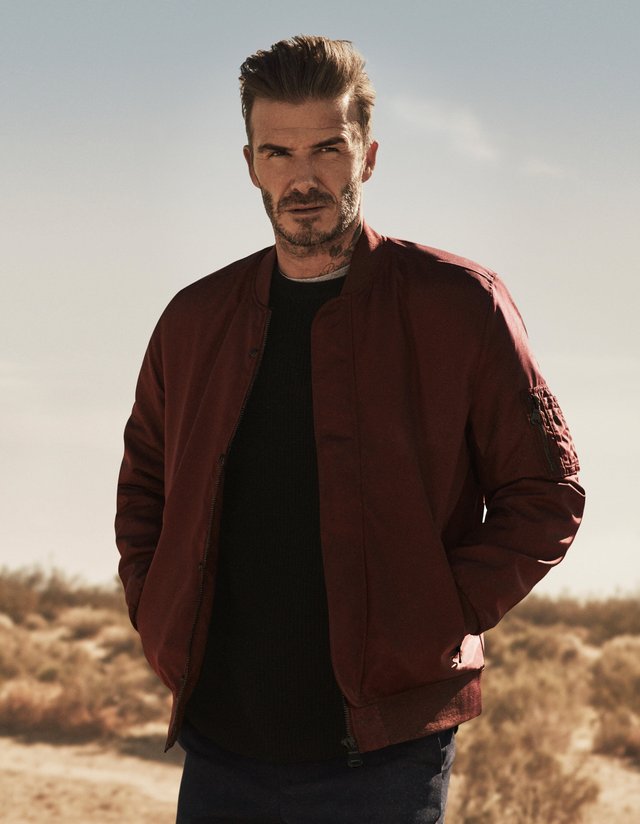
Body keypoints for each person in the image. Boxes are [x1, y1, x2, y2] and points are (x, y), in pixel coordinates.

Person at [115, 35, 585, 824]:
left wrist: (434, 616)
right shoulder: (194, 321)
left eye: (327, 149)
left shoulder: (459, 305)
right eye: (279, 152)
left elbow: (546, 493)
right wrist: (154, 608)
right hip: (223, 743)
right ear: (251, 164)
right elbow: (143, 492)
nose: (303, 178)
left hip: (385, 754)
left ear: (367, 156)